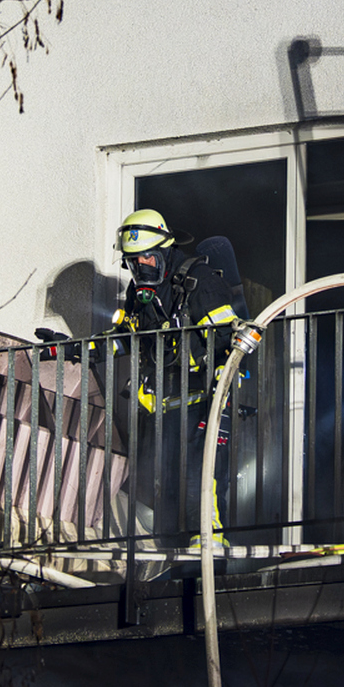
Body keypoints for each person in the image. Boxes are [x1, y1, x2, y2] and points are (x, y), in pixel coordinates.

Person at [109, 208, 239, 548]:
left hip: (206, 398)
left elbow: (231, 340)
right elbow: (125, 337)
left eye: (146, 261)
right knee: (162, 481)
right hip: (164, 403)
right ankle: (167, 550)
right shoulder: (140, 295)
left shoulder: (200, 280)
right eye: (132, 263)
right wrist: (76, 349)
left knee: (202, 473)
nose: (140, 270)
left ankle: (212, 548)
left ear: (165, 251)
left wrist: (223, 389)